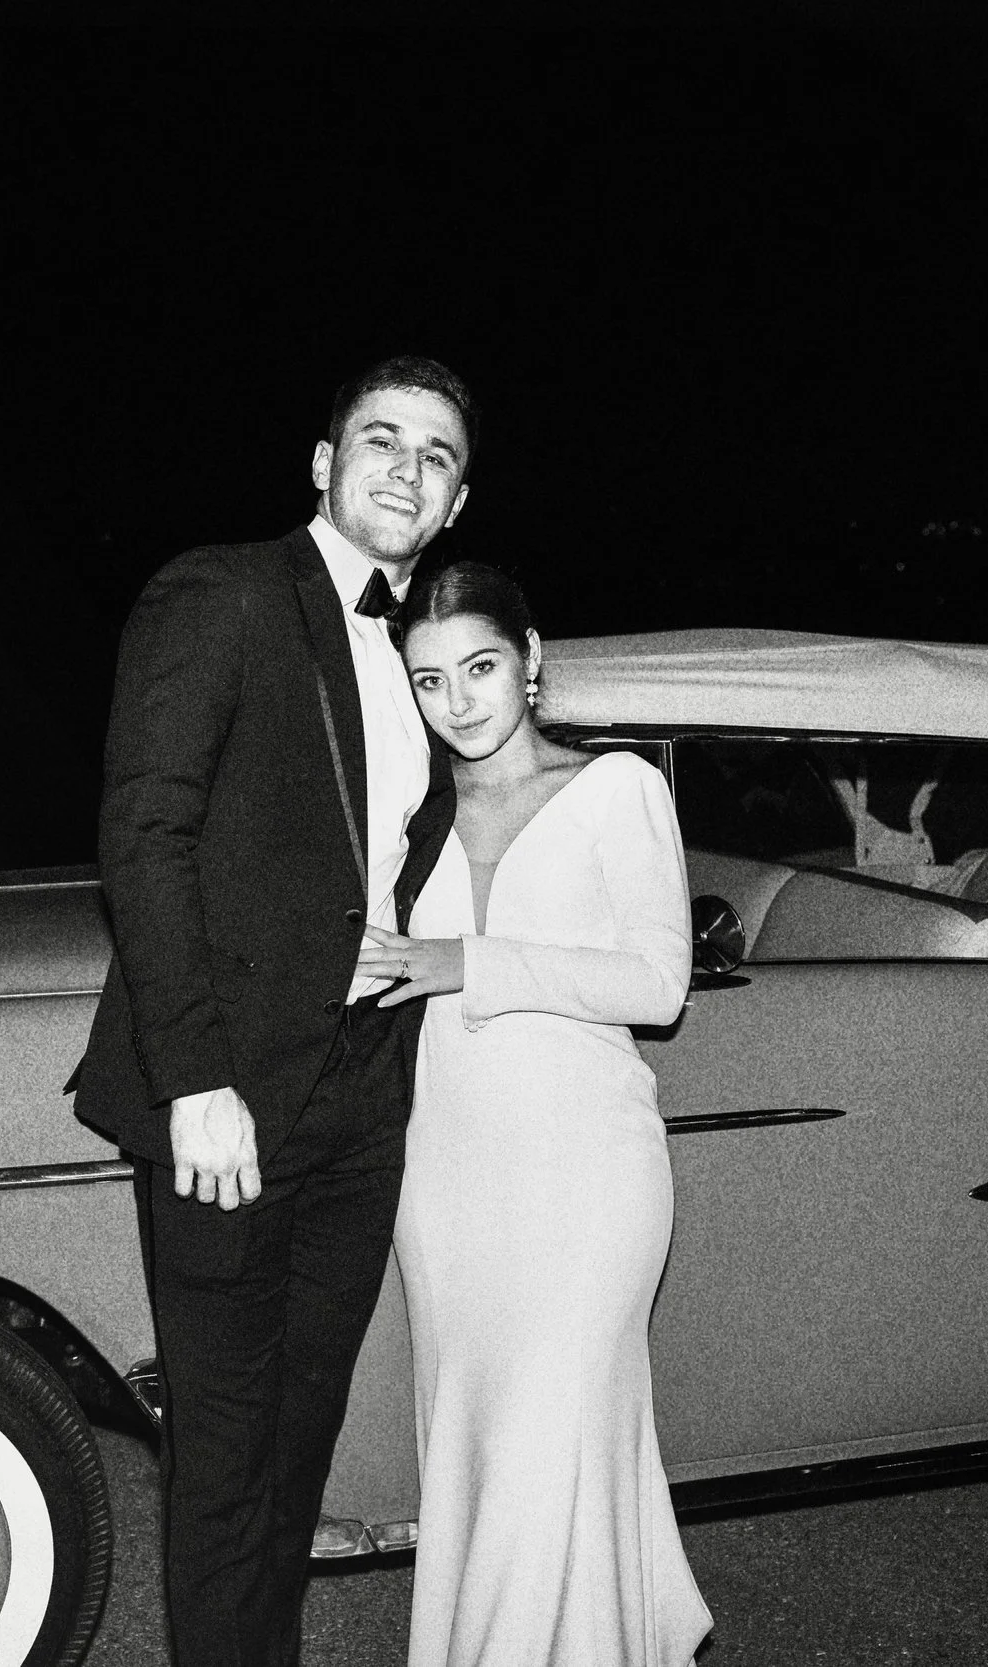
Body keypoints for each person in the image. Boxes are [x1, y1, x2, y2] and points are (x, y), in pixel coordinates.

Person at [72, 356, 476, 1666]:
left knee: (301, 1437)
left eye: (436, 455)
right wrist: (194, 1077)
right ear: (322, 461)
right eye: (383, 439)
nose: (406, 469)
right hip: (230, 1098)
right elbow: (147, 831)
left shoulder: (435, 656)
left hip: (364, 1094)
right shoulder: (226, 593)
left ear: (458, 500)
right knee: (229, 1444)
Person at [357, 562, 714, 1667]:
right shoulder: (406, 816)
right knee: (472, 1442)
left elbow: (657, 984)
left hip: (586, 1166)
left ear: (531, 658)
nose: (458, 700)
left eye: (478, 667)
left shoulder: (616, 787)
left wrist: (462, 960)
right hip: (446, 1170)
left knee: (549, 1434)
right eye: (428, 680)